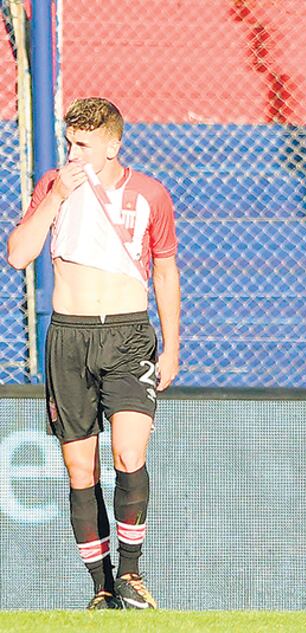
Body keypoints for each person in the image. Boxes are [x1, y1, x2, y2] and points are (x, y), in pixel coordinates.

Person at [6, 97, 180, 610]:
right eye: (68, 144)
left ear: (112, 143)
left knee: (129, 453)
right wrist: (55, 197)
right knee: (81, 469)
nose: (73, 153)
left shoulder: (149, 194)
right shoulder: (54, 186)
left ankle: (131, 573)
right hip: (69, 335)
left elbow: (166, 271)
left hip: (126, 335)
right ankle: (101, 588)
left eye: (83, 145)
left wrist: (171, 346)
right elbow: (19, 253)